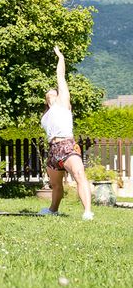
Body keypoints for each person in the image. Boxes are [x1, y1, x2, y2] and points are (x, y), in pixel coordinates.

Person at [39, 46, 93, 220]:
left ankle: (87, 212)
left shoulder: (63, 103)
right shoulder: (45, 115)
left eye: (55, 92)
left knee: (79, 175)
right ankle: (53, 210)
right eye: (49, 94)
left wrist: (60, 57)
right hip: (53, 149)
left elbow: (60, 76)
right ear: (46, 100)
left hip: (67, 145)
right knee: (55, 185)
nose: (52, 93)